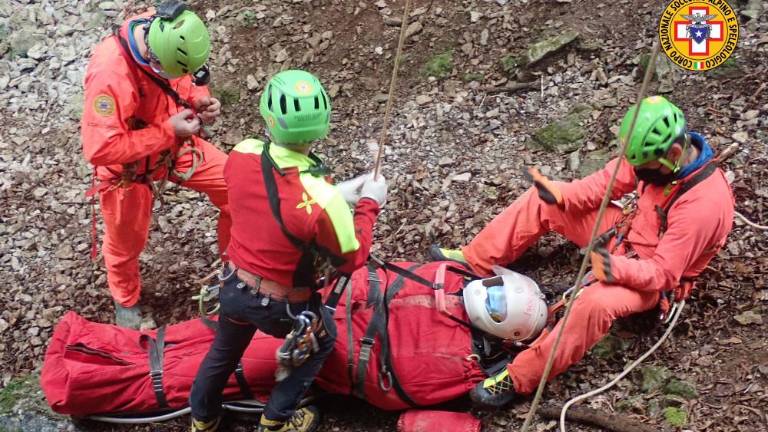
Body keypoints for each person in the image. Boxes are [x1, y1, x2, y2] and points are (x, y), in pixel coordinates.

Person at [431, 96, 735, 407]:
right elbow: (606, 184)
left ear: (672, 154)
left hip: (652, 277)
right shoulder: (656, 157)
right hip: (627, 233)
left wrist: (615, 268)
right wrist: (561, 195)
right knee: (542, 201)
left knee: (594, 303)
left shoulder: (703, 206)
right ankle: (473, 260)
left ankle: (520, 377)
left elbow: (663, 274)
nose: (638, 171)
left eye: (643, 167)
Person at [188, 70, 388, 432]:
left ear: (268, 117)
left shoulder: (242, 154)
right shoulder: (323, 200)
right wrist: (368, 203)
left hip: (233, 286)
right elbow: (353, 258)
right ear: (323, 124)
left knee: (223, 351)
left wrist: (333, 195)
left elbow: (275, 197)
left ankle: (203, 418)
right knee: (321, 341)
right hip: (285, 306)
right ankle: (275, 421)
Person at [81, 1, 230, 329]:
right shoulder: (110, 72)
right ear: (153, 57)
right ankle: (126, 300)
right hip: (128, 170)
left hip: (174, 147)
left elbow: (187, 79)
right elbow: (99, 147)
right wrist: (167, 131)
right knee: (125, 243)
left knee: (237, 187)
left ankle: (235, 271)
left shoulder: (171, 31)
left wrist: (200, 100)